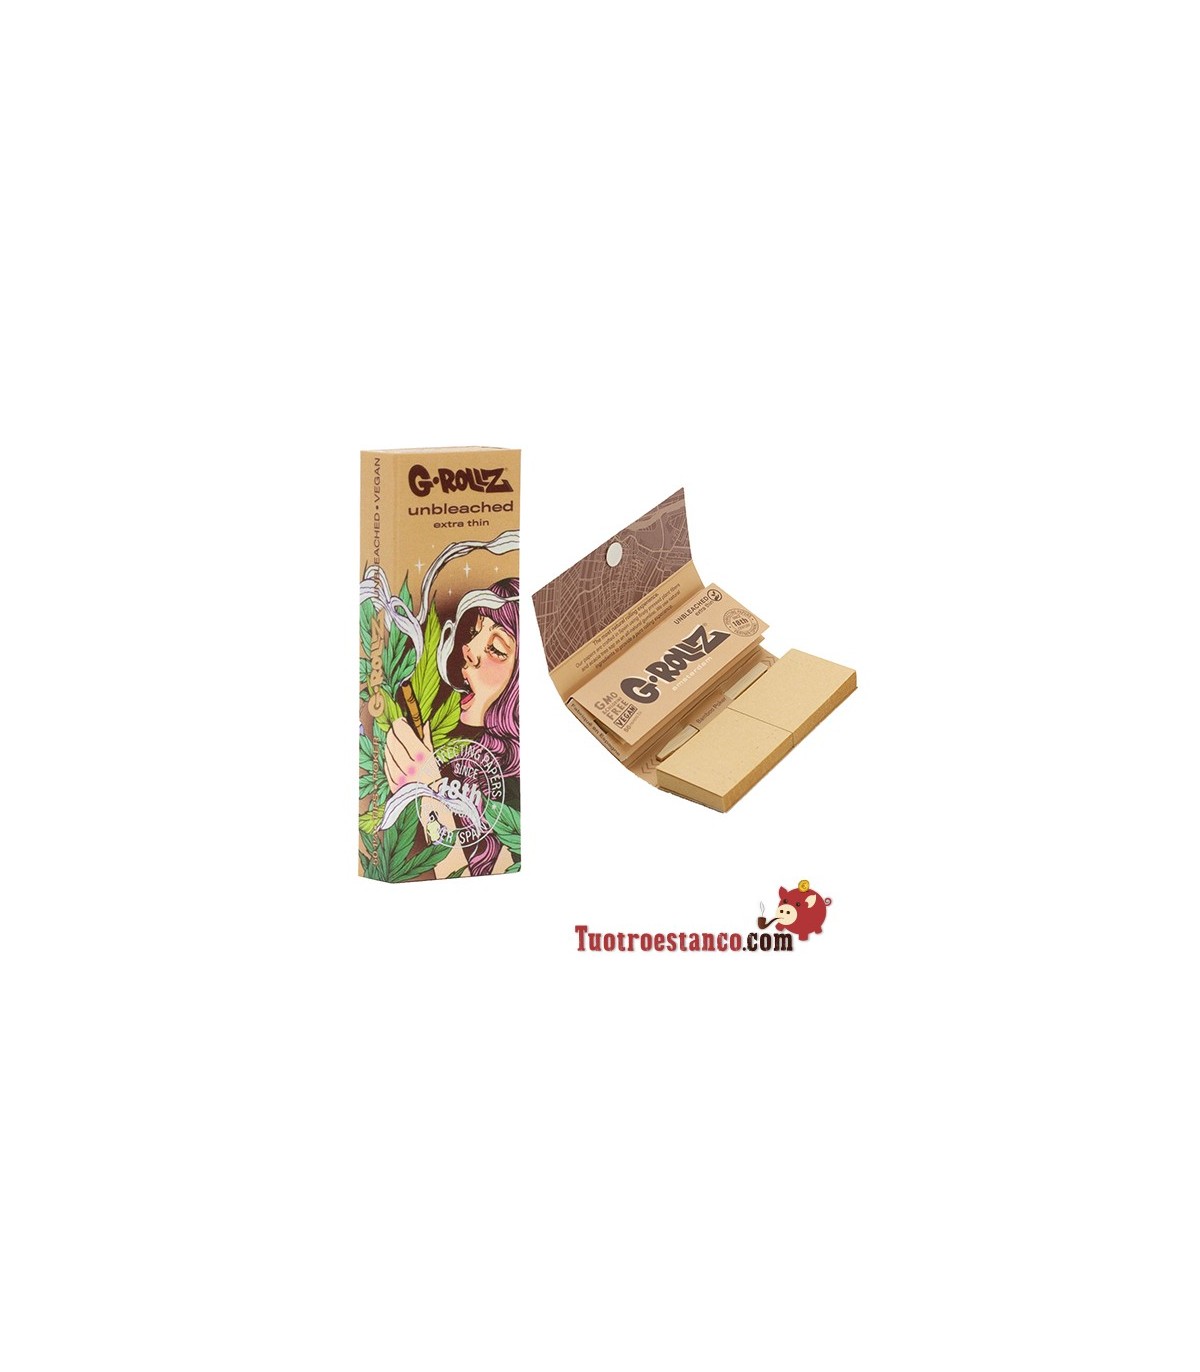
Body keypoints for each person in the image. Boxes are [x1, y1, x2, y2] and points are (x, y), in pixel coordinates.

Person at [384, 578, 519, 876]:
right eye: (474, 633)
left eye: (496, 648)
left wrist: (427, 794)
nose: (468, 648)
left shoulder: (520, 785)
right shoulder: (477, 758)